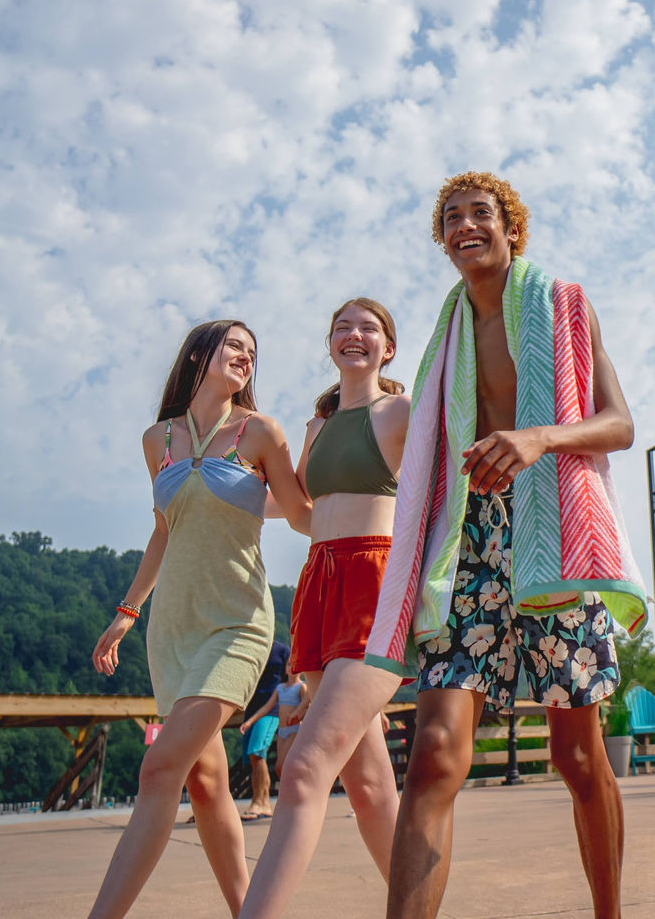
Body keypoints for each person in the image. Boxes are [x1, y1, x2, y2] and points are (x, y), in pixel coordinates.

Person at [362, 171, 649, 919]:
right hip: (468, 544)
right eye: (450, 217)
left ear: (510, 229)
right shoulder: (446, 337)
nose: (465, 225)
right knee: (431, 756)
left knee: (578, 757)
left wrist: (538, 437)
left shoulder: (562, 307)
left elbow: (618, 423)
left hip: (553, 536)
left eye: (480, 213)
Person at [88, 320, 311, 919]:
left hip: (238, 622)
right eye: (234, 345)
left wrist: (365, 488)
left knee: (160, 766)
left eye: (252, 352)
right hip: (172, 630)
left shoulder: (259, 431)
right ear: (199, 353)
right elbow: (164, 530)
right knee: (205, 784)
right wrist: (127, 613)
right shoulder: (156, 439)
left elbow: (302, 515)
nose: (245, 356)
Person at [236, 298, 410, 919]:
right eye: (342, 327)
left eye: (368, 328)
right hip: (320, 583)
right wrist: (222, 493)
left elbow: (447, 485)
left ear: (387, 347)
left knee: (305, 766)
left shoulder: (401, 412)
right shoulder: (316, 426)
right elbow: (298, 508)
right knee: (367, 788)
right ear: (329, 344)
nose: (354, 335)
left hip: (376, 581)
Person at [238, 641, 290, 820]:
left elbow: (291, 677)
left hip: (271, 708)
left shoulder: (282, 650)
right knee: (253, 759)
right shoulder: (248, 647)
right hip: (251, 708)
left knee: (257, 752)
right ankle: (261, 801)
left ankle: (261, 802)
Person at [272, 663, 305, 779]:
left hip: (294, 730)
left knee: (280, 765)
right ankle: (288, 793)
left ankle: (291, 793)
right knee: (281, 768)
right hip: (281, 731)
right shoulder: (280, 688)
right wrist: (250, 722)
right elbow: (267, 707)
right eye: (289, 664)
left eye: (295, 664)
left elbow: (307, 706)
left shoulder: (302, 687)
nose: (291, 667)